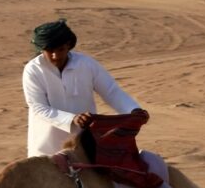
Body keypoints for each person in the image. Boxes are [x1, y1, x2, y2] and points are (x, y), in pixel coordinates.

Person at [22, 19, 144, 157]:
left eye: (60, 49)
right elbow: (38, 107)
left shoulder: (86, 64)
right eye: (50, 51)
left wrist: (133, 110)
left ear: (68, 46)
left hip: (83, 144)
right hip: (46, 147)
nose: (56, 56)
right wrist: (72, 119)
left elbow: (111, 91)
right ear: (41, 49)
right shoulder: (33, 70)